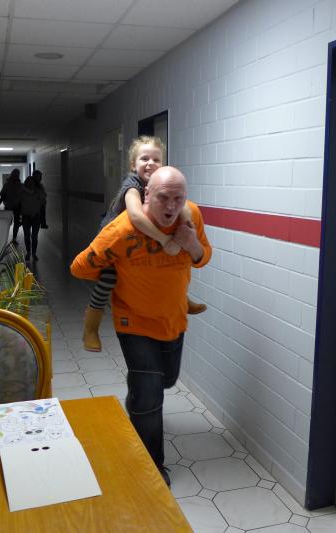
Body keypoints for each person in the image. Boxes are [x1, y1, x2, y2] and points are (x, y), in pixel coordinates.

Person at [71, 166, 212, 486]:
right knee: (150, 394)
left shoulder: (191, 217)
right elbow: (79, 267)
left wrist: (192, 244)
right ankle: (151, 467)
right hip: (132, 321)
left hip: (173, 318)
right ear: (147, 195)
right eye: (163, 197)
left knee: (166, 380)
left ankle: (137, 395)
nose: (171, 206)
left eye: (178, 198)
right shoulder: (121, 230)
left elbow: (204, 257)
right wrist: (109, 268)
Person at [81, 136, 207, 352]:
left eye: (156, 159)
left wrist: (185, 230)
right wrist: (165, 239)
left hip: (141, 238)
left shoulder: (161, 184)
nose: (150, 163)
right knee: (107, 281)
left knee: (161, 266)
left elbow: (184, 207)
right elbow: (137, 217)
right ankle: (90, 328)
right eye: (144, 159)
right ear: (133, 165)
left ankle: (181, 301)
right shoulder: (132, 187)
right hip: (116, 243)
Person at [20, 175, 45, 261]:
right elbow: (18, 202)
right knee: (27, 236)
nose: (31, 184)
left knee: (34, 237)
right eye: (29, 182)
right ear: (26, 183)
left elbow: (43, 201)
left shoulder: (38, 192)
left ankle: (33, 253)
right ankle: (28, 252)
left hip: (36, 217)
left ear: (34, 183)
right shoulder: (22, 192)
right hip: (26, 216)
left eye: (32, 182)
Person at [0, 169, 23, 245]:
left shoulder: (13, 185)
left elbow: (2, 195)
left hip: (14, 206)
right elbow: (3, 195)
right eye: (16, 174)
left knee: (12, 223)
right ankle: (10, 238)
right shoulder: (11, 185)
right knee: (10, 223)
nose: (16, 176)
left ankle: (12, 238)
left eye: (17, 174)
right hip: (12, 206)